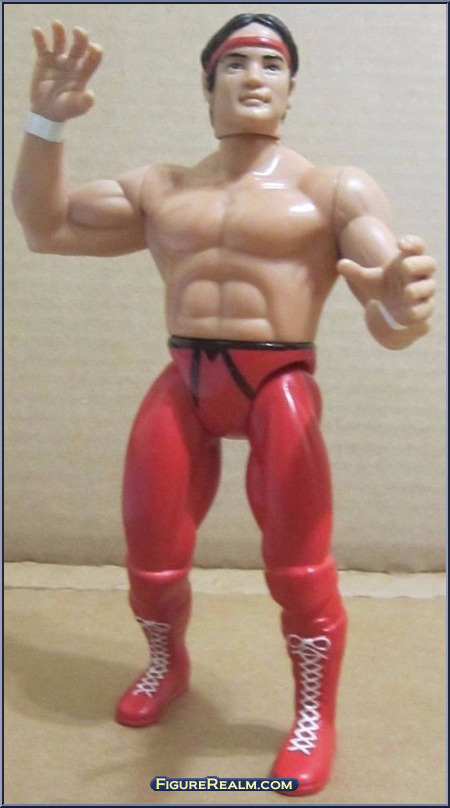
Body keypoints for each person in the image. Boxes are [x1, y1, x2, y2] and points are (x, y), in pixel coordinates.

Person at [12, 13, 436, 797]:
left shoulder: (330, 189)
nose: (253, 77)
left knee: (299, 567)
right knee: (150, 557)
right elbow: (47, 225)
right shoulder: (161, 188)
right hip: (188, 380)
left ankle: (313, 715)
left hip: (278, 385)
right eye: (235, 63)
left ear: (290, 90)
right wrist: (46, 125)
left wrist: (398, 303)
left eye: (271, 65)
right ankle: (166, 664)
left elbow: (385, 303)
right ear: (208, 86)